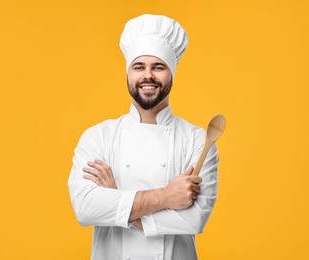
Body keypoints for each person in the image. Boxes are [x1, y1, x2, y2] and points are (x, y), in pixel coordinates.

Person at [68, 14, 219, 260]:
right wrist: (167, 197)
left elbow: (195, 219)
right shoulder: (98, 137)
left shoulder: (198, 140)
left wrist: (117, 201)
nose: (147, 76)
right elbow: (85, 208)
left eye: (158, 67)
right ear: (128, 73)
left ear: (171, 73)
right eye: (139, 67)